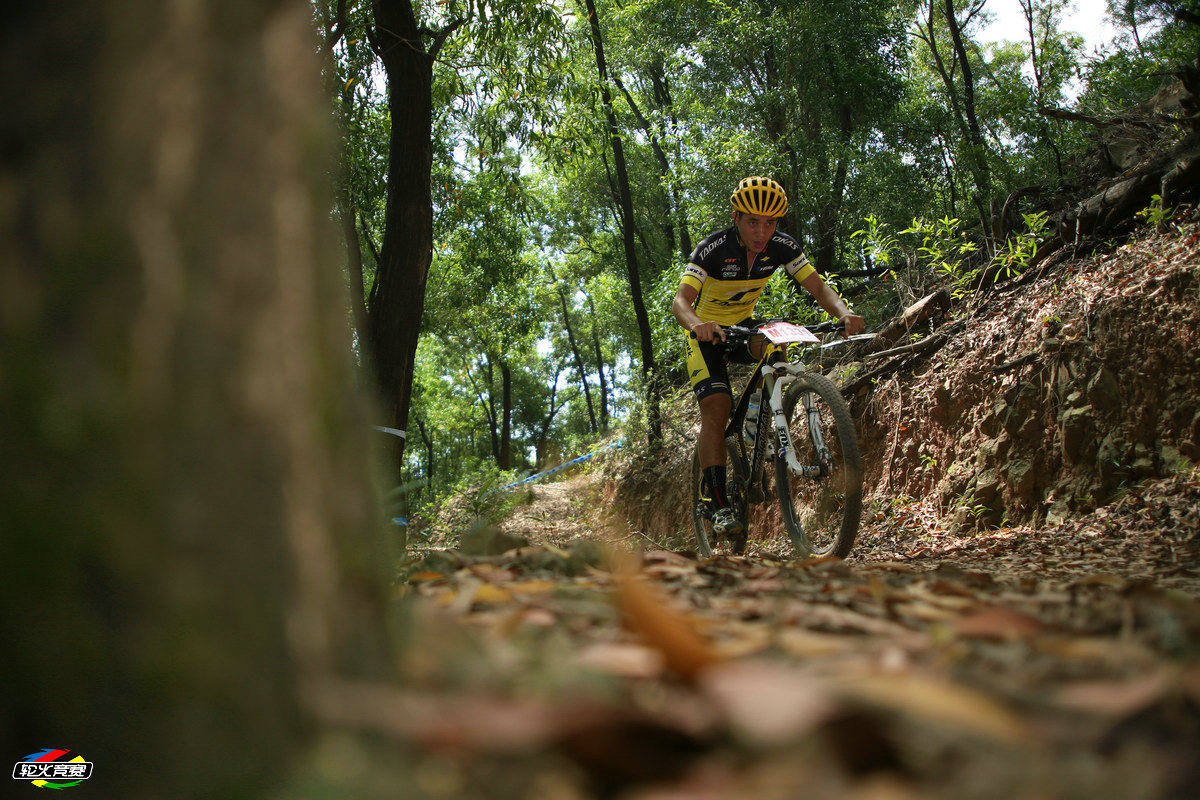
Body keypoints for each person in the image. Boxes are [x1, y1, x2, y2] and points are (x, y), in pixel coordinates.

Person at [670, 176, 865, 537]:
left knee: (779, 341)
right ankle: (714, 499)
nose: (762, 232)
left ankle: (759, 421)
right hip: (706, 334)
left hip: (743, 327)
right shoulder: (712, 249)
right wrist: (697, 324)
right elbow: (680, 302)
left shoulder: (782, 246)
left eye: (770, 222)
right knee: (717, 407)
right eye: (753, 222)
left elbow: (818, 286)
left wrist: (843, 313)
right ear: (736, 218)